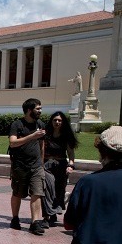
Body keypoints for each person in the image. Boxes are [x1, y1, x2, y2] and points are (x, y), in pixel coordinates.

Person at [9, 98, 47, 235]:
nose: (40, 111)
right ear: (29, 110)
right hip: (20, 166)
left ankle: (35, 222)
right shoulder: (17, 124)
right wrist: (32, 136)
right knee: (18, 193)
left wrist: (41, 163)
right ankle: (15, 218)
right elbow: (13, 143)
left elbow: (42, 145)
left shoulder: (40, 124)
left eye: (40, 108)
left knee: (37, 192)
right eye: (38, 109)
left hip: (36, 166)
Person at [42, 112, 78, 226]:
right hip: (46, 166)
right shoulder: (45, 135)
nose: (57, 122)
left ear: (63, 123)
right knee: (47, 188)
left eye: (60, 121)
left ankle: (53, 213)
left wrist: (70, 166)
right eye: (55, 120)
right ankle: (46, 216)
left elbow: (71, 154)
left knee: (58, 190)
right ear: (51, 121)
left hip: (61, 166)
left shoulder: (66, 136)